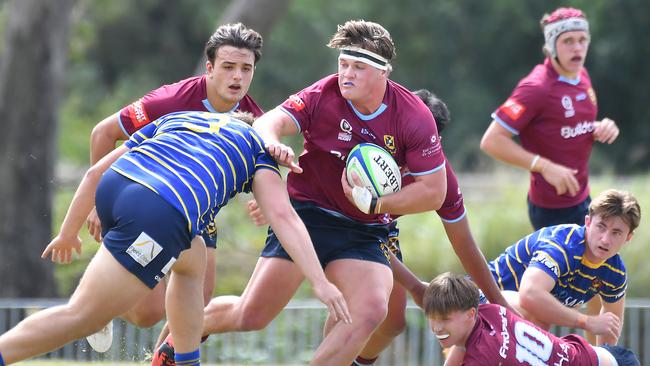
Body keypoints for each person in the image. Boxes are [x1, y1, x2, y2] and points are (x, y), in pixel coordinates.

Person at [153, 20, 449, 366]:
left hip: (364, 230)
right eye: (343, 64)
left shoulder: (413, 118)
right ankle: (176, 341)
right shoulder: (324, 94)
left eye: (358, 67)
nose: (346, 74)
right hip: (305, 216)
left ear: (384, 72)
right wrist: (275, 145)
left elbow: (434, 192)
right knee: (251, 316)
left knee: (370, 311)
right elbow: (268, 123)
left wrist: (377, 203)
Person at [0, 111, 350, 366]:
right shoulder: (257, 148)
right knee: (83, 316)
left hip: (117, 187)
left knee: (193, 255)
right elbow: (285, 217)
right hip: (158, 209)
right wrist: (319, 281)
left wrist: (68, 231)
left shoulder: (184, 118)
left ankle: (184, 361)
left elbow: (96, 171)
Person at [85, 22, 265, 350]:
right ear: (209, 68)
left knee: (198, 303)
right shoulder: (171, 101)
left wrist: (265, 203)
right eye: (228, 67)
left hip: (196, 214)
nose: (237, 77)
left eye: (245, 69)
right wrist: (98, 206)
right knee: (147, 312)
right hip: (146, 202)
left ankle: (161, 360)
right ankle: (95, 306)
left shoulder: (253, 118)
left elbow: (264, 178)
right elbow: (103, 133)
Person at [346, 89, 512, 365]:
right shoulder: (368, 149)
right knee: (368, 310)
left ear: (436, 140)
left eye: (424, 135)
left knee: (393, 323)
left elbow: (465, 246)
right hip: (341, 228)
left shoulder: (441, 177)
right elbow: (354, 231)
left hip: (379, 232)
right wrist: (413, 285)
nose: (414, 139)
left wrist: (503, 310)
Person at [480, 7, 620, 231]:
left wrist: (600, 127)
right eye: (568, 41)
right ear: (551, 46)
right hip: (551, 210)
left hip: (583, 198)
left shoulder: (581, 75)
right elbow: (491, 141)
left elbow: (565, 124)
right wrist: (544, 167)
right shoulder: (536, 88)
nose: (577, 48)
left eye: (583, 40)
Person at [421, 272, 640, 366]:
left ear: (470, 314)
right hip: (606, 356)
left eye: (445, 319)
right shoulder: (490, 311)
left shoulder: (482, 356)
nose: (436, 327)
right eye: (432, 318)